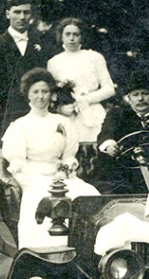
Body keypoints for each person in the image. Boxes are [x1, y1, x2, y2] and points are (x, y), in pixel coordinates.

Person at [0, 68, 100, 249]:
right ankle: (45, 250)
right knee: (44, 198)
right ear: (28, 95)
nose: (40, 96)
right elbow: (18, 163)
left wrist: (64, 171)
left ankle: (85, 246)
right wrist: (41, 179)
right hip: (33, 179)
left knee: (88, 192)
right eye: (36, 92)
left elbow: (69, 156)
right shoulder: (20, 125)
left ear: (51, 94)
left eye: (45, 91)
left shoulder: (62, 122)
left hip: (61, 177)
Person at [0, 0, 50, 149]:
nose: (22, 17)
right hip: (4, 119)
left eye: (26, 12)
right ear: (8, 14)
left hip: (35, 118)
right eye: (17, 12)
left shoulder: (39, 47)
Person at [46, 17, 116, 174]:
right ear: (61, 36)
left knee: (96, 159)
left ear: (81, 36)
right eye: (68, 34)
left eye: (76, 34)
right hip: (68, 115)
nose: (72, 38)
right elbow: (50, 93)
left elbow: (109, 88)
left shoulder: (94, 57)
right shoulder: (53, 62)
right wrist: (60, 108)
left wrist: (86, 100)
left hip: (92, 113)